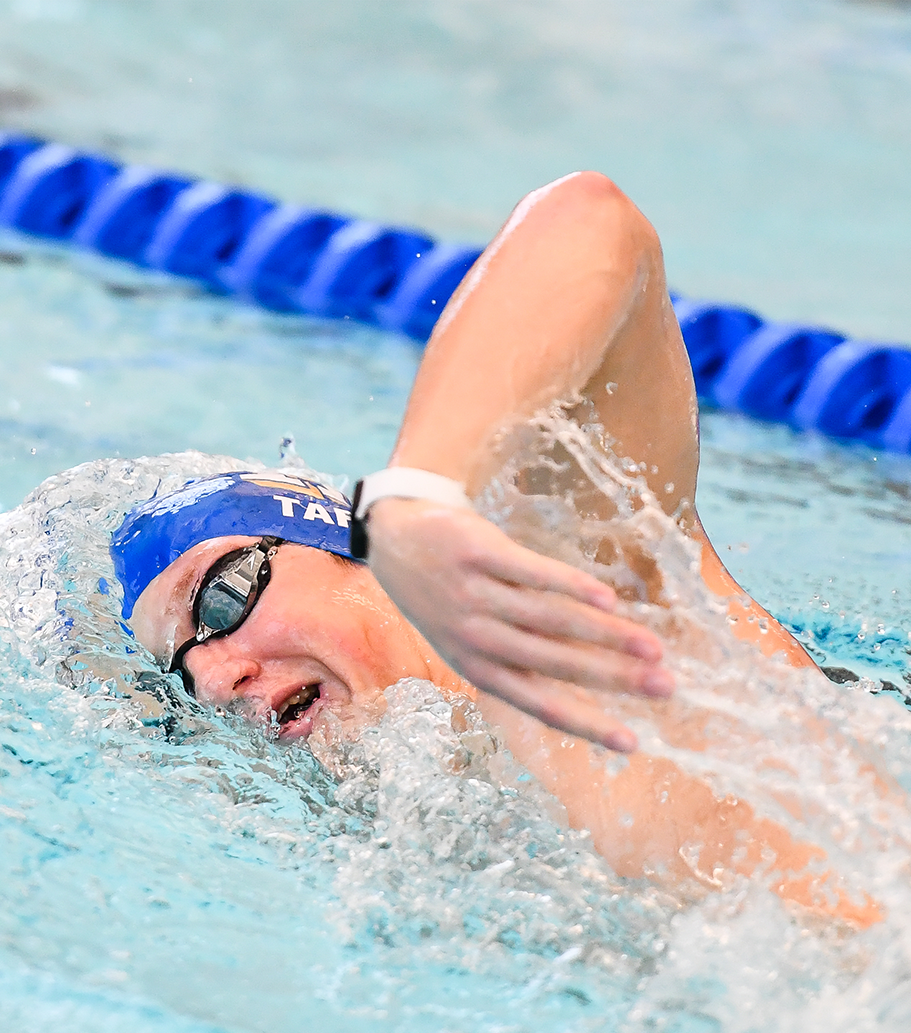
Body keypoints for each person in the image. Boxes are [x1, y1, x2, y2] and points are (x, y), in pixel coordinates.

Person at [109, 170, 881, 921]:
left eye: (221, 595)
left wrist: (413, 499)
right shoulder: (440, 852)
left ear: (351, 548)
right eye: (181, 668)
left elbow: (591, 220)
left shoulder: (584, 620)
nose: (214, 674)